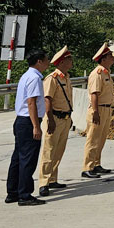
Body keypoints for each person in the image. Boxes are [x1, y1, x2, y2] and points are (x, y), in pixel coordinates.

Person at [6, 49, 50, 206]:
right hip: (28, 122)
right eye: (46, 60)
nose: (48, 63)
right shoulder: (34, 78)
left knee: (18, 157)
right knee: (28, 159)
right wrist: (36, 126)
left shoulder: (27, 75)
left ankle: (13, 192)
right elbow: (31, 102)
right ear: (39, 61)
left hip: (22, 120)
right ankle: (24, 195)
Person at [37, 46, 74, 196]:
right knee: (49, 150)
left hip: (65, 117)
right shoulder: (52, 78)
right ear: (61, 62)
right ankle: (43, 183)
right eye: (68, 59)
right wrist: (50, 119)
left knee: (59, 150)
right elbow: (48, 100)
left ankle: (52, 178)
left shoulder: (66, 77)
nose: (71, 62)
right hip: (55, 118)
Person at [81, 43, 114, 178]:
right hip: (98, 109)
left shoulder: (106, 73)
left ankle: (96, 163)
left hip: (106, 109)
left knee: (100, 139)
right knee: (93, 139)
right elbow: (94, 94)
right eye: (110, 56)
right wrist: (95, 112)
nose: (113, 58)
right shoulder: (97, 74)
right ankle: (87, 167)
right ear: (103, 58)